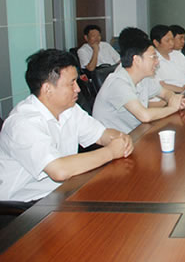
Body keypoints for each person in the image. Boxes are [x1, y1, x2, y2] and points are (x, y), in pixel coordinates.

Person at [0, 49, 133, 202]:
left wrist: (120, 138)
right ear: (48, 89)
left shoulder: (69, 109)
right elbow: (59, 171)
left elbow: (102, 134)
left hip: (63, 190)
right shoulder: (22, 123)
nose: (78, 88)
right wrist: (111, 152)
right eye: (71, 83)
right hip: (25, 205)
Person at [93, 27, 185, 133]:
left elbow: (165, 93)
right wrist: (172, 108)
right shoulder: (118, 82)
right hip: (114, 139)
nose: (157, 62)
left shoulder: (144, 77)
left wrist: (174, 98)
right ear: (137, 60)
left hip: (137, 132)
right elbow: (145, 116)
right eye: (153, 57)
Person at [151, 24, 185, 93]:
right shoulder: (152, 60)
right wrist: (181, 89)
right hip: (171, 94)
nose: (172, 43)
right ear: (156, 43)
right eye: (167, 41)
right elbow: (160, 85)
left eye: (172, 39)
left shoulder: (176, 54)